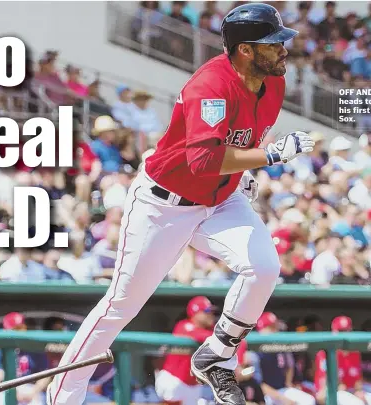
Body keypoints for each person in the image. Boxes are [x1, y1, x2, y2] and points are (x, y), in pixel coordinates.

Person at [45, 4, 314, 405]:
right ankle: (62, 396)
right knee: (121, 306)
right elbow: (202, 160)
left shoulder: (273, 83)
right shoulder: (211, 85)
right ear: (244, 50)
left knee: (264, 267)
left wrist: (246, 170)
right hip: (163, 206)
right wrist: (269, 157)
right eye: (273, 44)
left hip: (220, 199)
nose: (283, 50)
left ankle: (217, 356)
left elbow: (240, 141)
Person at [155, 296, 217, 405]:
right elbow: (204, 336)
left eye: (211, 311)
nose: (211, 314)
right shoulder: (184, 326)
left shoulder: (210, 330)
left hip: (193, 385)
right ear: (195, 313)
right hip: (173, 379)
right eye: (207, 311)